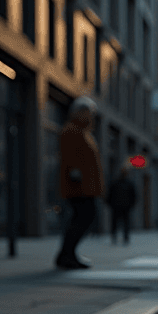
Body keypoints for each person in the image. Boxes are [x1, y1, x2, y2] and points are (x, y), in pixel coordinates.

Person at [56, 97, 104, 269]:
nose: (91, 116)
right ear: (80, 112)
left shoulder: (83, 131)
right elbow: (70, 158)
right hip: (79, 187)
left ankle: (67, 254)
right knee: (83, 218)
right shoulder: (72, 130)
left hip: (86, 186)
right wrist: (76, 177)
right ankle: (66, 254)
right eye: (89, 112)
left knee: (82, 218)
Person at [106, 162, 138, 245]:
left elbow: (109, 195)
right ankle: (125, 237)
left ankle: (115, 236)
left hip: (117, 206)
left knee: (115, 222)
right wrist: (131, 204)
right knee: (125, 222)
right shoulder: (128, 184)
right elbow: (134, 196)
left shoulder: (115, 184)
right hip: (125, 206)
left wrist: (110, 204)